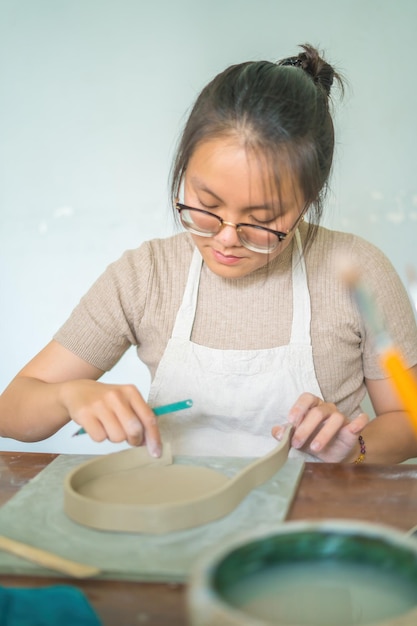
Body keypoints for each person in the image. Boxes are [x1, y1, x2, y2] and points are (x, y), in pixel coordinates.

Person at [1, 44, 417, 464]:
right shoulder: (146, 276)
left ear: (307, 199)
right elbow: (12, 410)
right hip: (180, 519)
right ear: (184, 169)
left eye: (261, 219)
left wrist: (355, 450)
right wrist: (70, 396)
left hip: (312, 522)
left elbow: (409, 418)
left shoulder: (357, 273)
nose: (226, 238)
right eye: (206, 206)